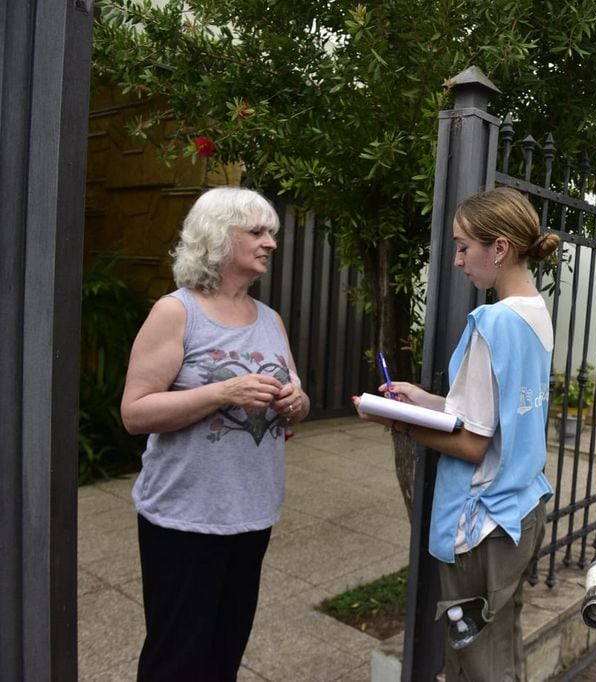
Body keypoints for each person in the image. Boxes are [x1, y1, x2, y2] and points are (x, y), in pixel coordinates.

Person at [354, 186, 561, 680]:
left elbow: (471, 443)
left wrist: (397, 421)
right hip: (521, 509)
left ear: (500, 248)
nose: (457, 260)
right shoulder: (535, 314)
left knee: (475, 666)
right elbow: (493, 412)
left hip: (483, 522)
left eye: (464, 246)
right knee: (502, 651)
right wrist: (424, 401)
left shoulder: (491, 322)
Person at [121, 187, 309, 681]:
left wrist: (296, 403)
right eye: (257, 232)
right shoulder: (175, 312)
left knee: (225, 650)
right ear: (218, 238)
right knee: (177, 657)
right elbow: (135, 412)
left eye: (271, 232)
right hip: (185, 516)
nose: (270, 242)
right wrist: (224, 392)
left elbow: (297, 399)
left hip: (251, 512)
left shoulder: (270, 319)